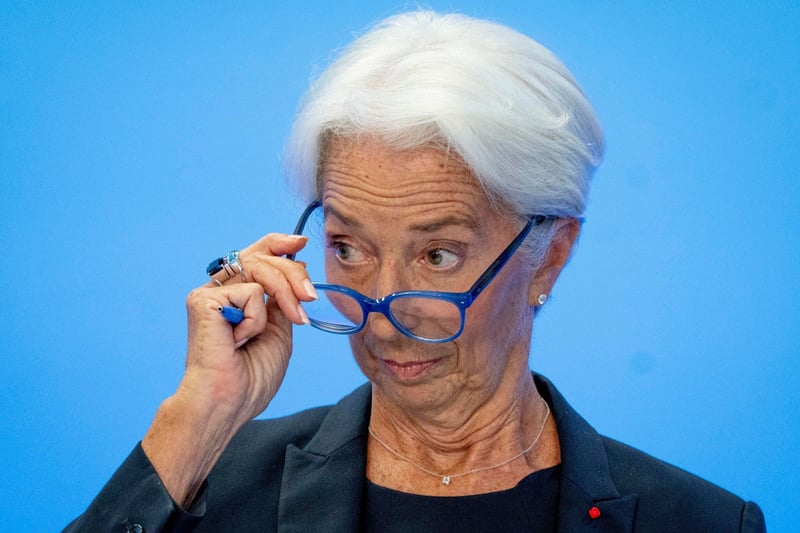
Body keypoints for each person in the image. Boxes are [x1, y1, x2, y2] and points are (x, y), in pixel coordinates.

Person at [64, 10, 765, 533]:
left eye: (437, 255)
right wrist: (197, 416)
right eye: (348, 247)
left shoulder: (700, 521)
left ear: (548, 254)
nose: (382, 312)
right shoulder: (212, 485)